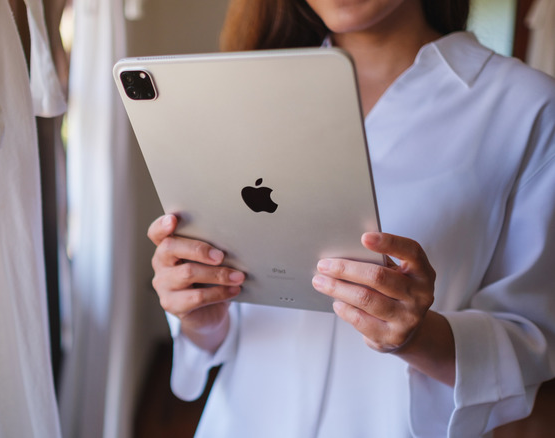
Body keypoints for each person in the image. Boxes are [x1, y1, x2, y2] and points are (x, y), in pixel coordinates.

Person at [146, 0, 555, 436]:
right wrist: (198, 314)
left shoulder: (527, 107)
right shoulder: (242, 91)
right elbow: (220, 334)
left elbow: (531, 342)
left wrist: (418, 338)